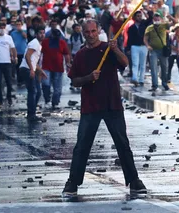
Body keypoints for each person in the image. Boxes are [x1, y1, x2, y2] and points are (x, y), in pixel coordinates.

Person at [63, 19, 147, 197]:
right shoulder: (80, 55)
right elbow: (74, 80)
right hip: (90, 106)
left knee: (122, 144)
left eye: (94, 31)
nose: (91, 35)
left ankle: (134, 180)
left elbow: (124, 63)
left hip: (112, 104)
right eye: (87, 32)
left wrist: (115, 48)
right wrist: (88, 78)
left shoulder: (108, 49)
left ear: (98, 31)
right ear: (83, 34)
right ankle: (72, 183)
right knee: (82, 146)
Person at [19, 27, 47, 121]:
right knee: (33, 91)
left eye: (43, 33)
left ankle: (32, 112)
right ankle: (31, 114)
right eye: (40, 33)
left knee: (37, 92)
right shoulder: (35, 43)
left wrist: (40, 71)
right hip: (26, 69)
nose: (42, 35)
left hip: (30, 68)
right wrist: (31, 69)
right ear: (36, 34)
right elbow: (27, 56)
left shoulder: (38, 44)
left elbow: (34, 61)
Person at [40, 29, 71, 110]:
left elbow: (66, 54)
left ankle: (55, 102)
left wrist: (68, 64)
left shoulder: (62, 42)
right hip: (46, 67)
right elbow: (39, 53)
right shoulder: (45, 42)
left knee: (57, 89)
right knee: (46, 84)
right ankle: (47, 100)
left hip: (58, 68)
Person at [144, 12, 172, 92]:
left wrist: (170, 17)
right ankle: (154, 85)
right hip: (153, 50)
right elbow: (145, 38)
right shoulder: (149, 28)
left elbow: (174, 23)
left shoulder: (164, 26)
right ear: (153, 19)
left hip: (163, 50)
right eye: (155, 18)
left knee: (164, 67)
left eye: (158, 18)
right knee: (153, 68)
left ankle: (164, 83)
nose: (156, 19)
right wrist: (148, 46)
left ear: (160, 19)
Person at [127, 10, 151, 87]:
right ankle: (135, 78)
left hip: (143, 46)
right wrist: (128, 48)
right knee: (135, 63)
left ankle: (141, 79)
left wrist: (144, 11)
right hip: (134, 46)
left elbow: (150, 19)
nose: (139, 18)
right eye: (138, 16)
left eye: (140, 16)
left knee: (143, 64)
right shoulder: (131, 27)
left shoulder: (144, 25)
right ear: (134, 17)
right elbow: (129, 38)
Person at [10, 20, 28, 87]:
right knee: (17, 67)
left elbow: (25, 37)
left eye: (19, 24)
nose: (18, 26)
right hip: (16, 52)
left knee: (23, 67)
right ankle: (19, 81)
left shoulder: (24, 32)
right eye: (17, 24)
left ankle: (24, 80)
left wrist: (21, 31)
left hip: (23, 52)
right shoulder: (12, 33)